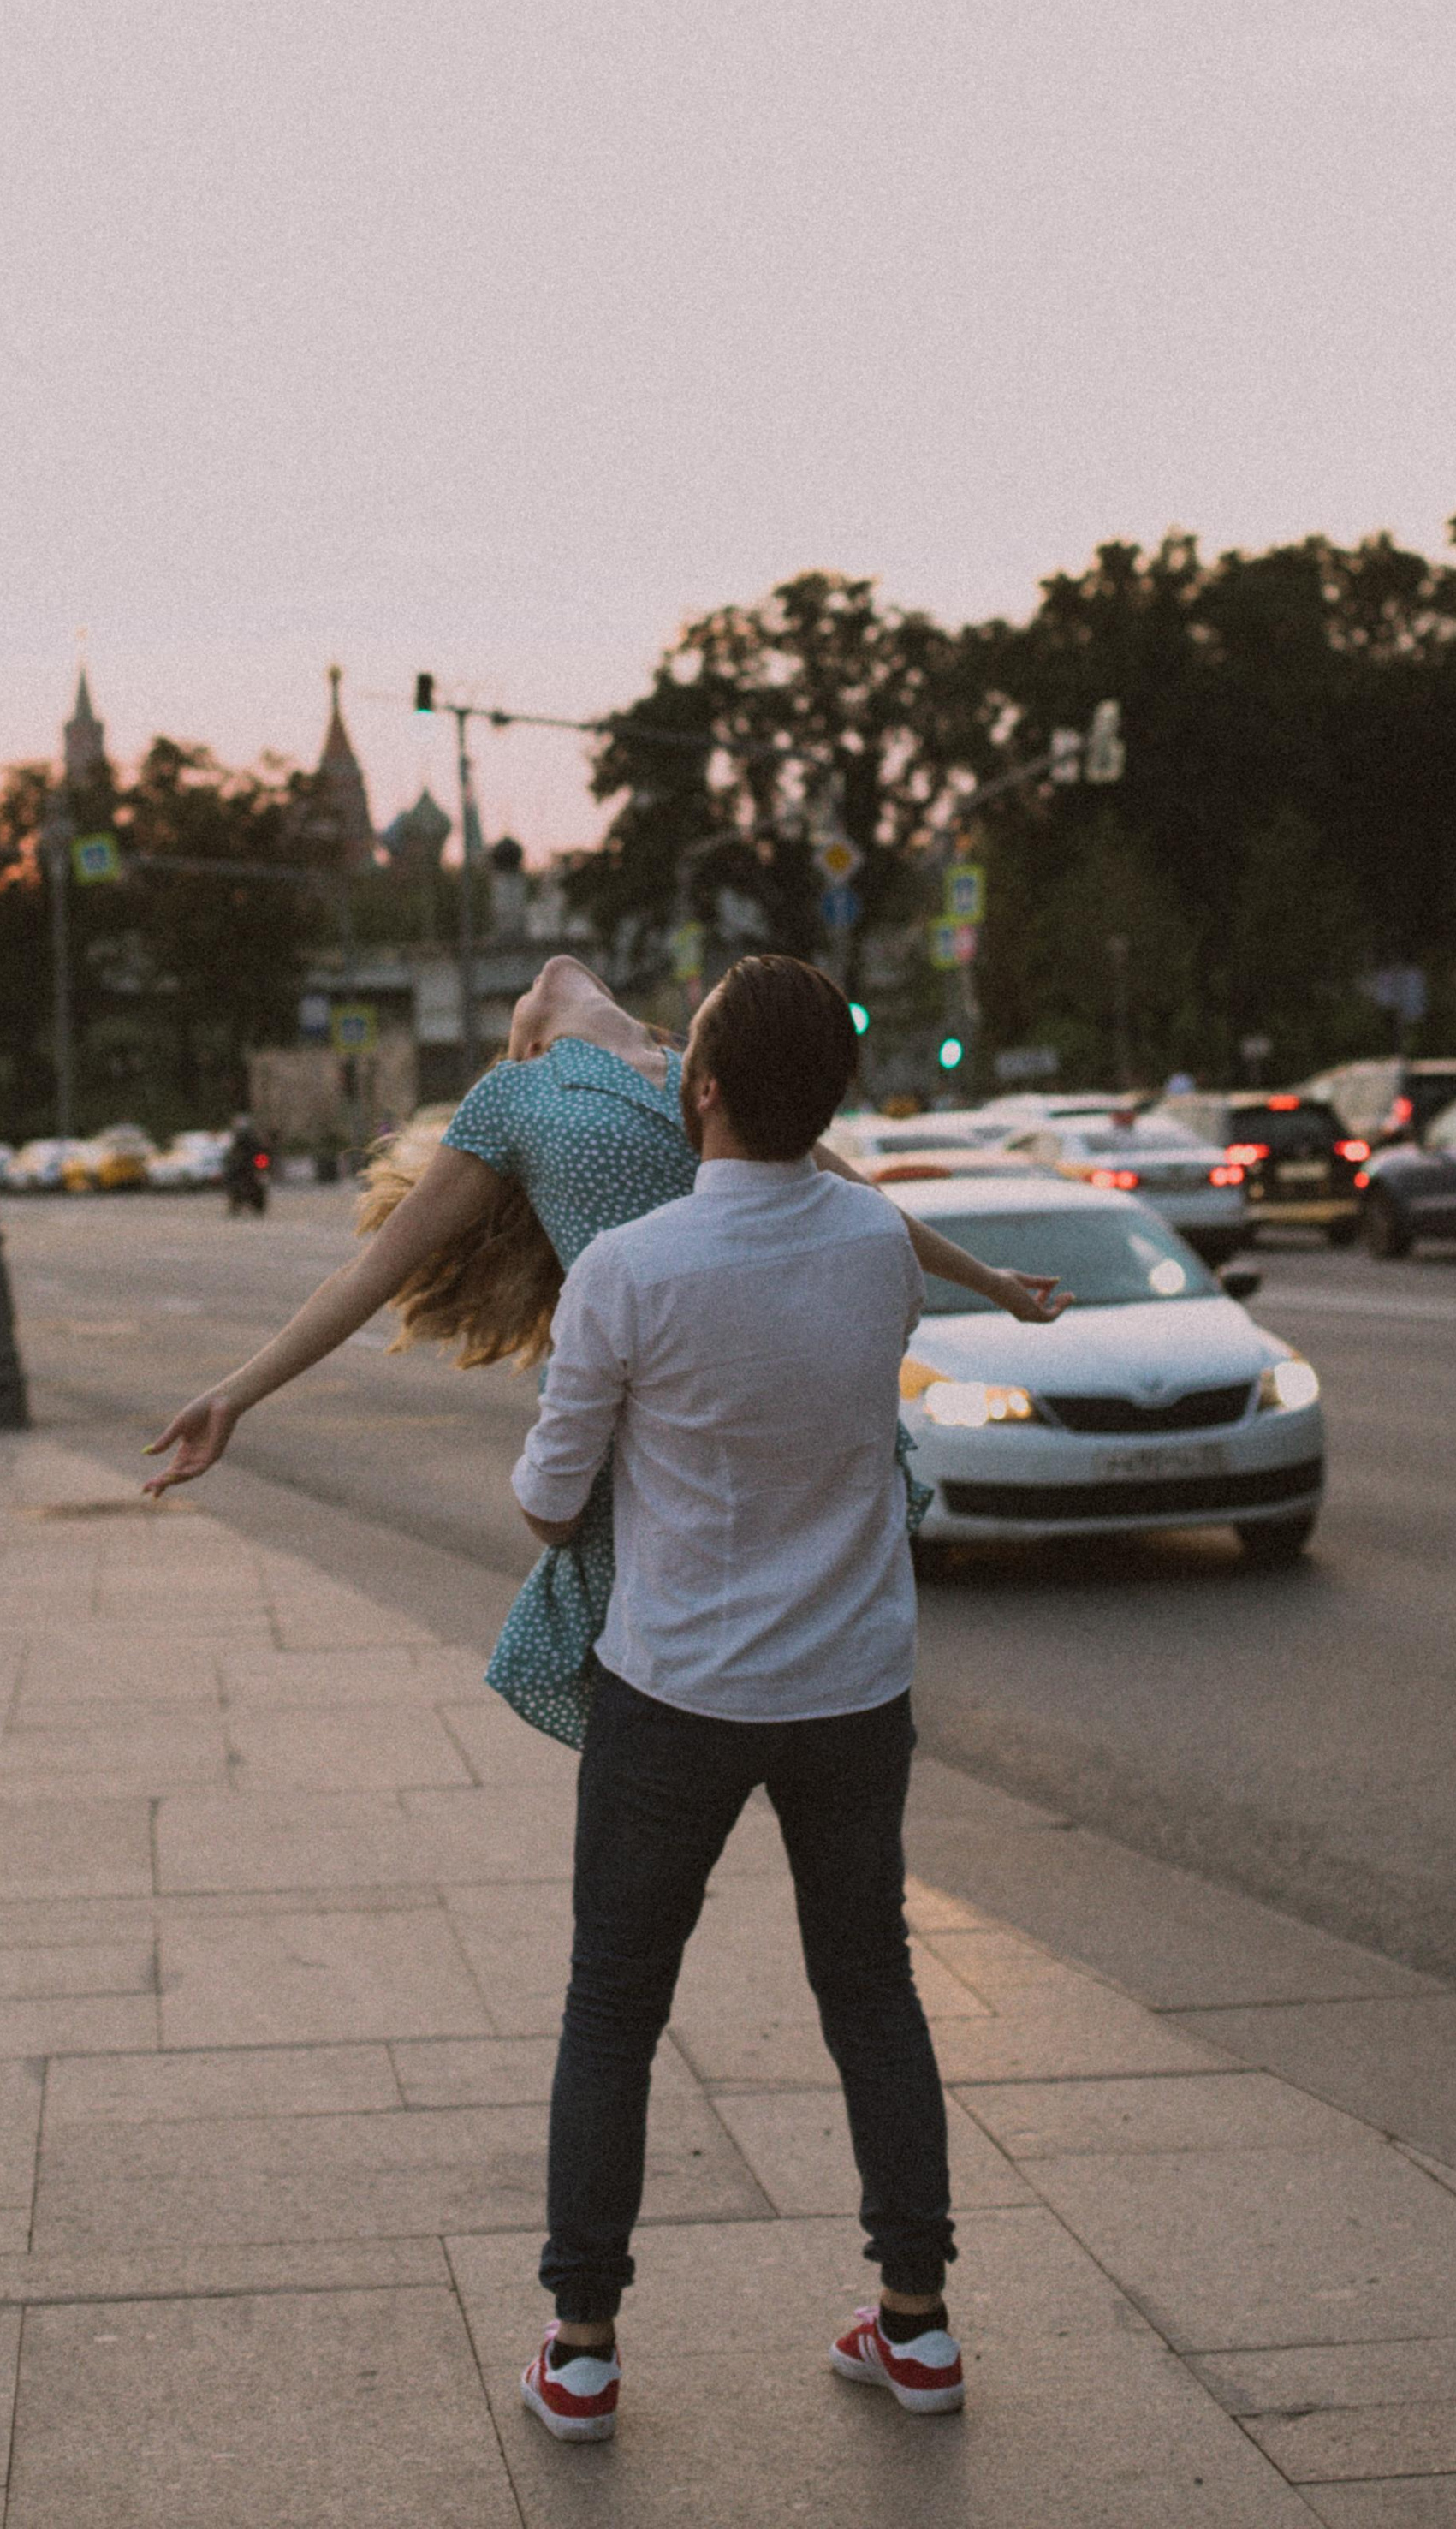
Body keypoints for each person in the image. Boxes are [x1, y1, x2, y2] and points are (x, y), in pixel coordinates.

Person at [512, 955, 963, 2443]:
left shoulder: (630, 1270)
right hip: (851, 1686)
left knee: (614, 2005)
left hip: (678, 1691)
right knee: (873, 1991)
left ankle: (582, 2350)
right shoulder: (881, 1247)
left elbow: (546, 1499)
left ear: (696, 1090)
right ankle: (918, 2325)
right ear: (828, 1097)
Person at [143, 955, 1064, 1519]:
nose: (548, 981)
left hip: (690, 1398)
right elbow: (375, 1271)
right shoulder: (560, 1094)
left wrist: (994, 1285)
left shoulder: (685, 1073)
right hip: (662, 1413)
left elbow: (865, 1206)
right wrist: (234, 1395)